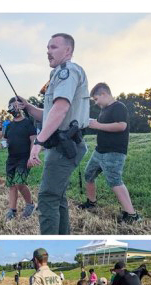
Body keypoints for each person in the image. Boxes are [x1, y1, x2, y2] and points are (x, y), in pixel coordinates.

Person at [15, 33, 89, 234]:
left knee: (48, 198)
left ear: (68, 51)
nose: (48, 52)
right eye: (47, 48)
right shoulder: (58, 74)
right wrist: (29, 106)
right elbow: (49, 115)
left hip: (64, 146)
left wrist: (38, 142)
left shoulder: (68, 71)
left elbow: (60, 109)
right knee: (58, 197)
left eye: (54, 47)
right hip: (62, 145)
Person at [80, 83, 140, 223]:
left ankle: (132, 215)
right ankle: (92, 203)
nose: (96, 103)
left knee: (114, 181)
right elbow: (102, 125)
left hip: (114, 152)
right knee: (89, 174)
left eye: (96, 99)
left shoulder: (119, 106)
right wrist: (92, 122)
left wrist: (98, 125)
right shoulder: (104, 110)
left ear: (104, 94)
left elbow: (121, 126)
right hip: (99, 151)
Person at [3, 98, 37, 222]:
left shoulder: (28, 123)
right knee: (11, 185)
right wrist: (4, 144)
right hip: (11, 158)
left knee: (19, 183)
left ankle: (30, 204)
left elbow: (33, 139)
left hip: (24, 158)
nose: (13, 109)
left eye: (15, 106)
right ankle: (12, 210)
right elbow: (7, 140)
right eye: (11, 107)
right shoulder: (10, 125)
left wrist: (32, 155)